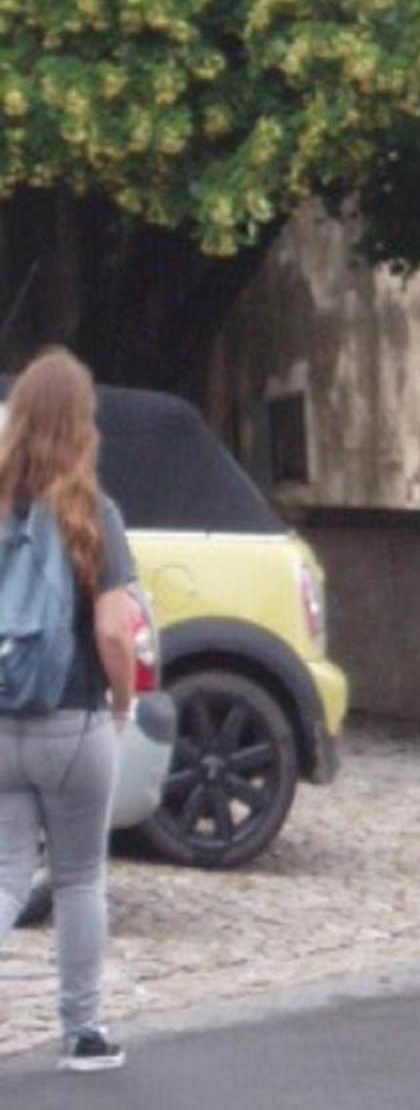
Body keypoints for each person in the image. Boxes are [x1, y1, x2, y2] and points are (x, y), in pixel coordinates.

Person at [0, 349, 138, 1072]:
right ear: (81, 424)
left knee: (2, 875)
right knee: (80, 878)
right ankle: (83, 1035)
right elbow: (115, 630)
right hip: (72, 719)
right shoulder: (94, 514)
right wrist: (123, 701)